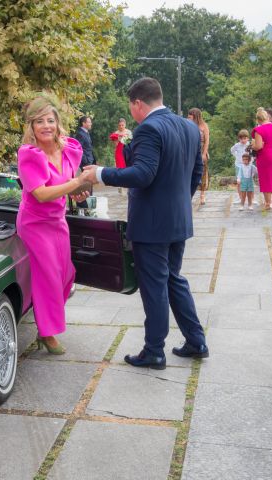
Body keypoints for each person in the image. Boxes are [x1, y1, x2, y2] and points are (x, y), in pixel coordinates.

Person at [80, 77, 208, 369]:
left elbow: (143, 174)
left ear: (138, 103)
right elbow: (197, 169)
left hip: (152, 225)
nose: (132, 111)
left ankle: (154, 351)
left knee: (155, 286)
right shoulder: (189, 126)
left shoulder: (149, 128)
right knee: (174, 279)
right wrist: (179, 202)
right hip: (178, 220)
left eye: (131, 106)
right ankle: (196, 341)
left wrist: (100, 173)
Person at [16, 94, 89, 355]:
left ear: (58, 123)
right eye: (39, 122)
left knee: (66, 273)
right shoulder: (29, 155)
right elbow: (41, 193)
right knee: (47, 275)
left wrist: (77, 192)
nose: (46, 126)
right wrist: (75, 184)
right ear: (32, 128)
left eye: (50, 120)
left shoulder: (69, 148)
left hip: (57, 221)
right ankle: (46, 333)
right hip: (35, 223)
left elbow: (66, 187)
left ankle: (45, 322)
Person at [251, 107, 272, 211]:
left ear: (258, 120)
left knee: (265, 179)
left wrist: (251, 146)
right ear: (267, 117)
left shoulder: (258, 129)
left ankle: (268, 203)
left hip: (265, 156)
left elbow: (258, 146)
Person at [188, 108, 210, 205]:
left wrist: (204, 153)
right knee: (189, 172)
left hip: (201, 149)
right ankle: (189, 194)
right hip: (190, 150)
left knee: (203, 172)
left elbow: (207, 141)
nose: (188, 118)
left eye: (190, 116)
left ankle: (202, 194)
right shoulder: (188, 125)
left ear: (195, 116)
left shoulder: (204, 126)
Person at [230, 129, 249, 199]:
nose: (243, 140)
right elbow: (231, 151)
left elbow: (253, 154)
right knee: (239, 182)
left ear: (247, 138)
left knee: (248, 181)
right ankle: (240, 197)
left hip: (247, 165)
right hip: (238, 165)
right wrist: (236, 156)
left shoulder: (249, 145)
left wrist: (251, 160)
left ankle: (250, 197)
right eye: (241, 139)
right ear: (239, 139)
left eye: (245, 138)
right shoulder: (237, 145)